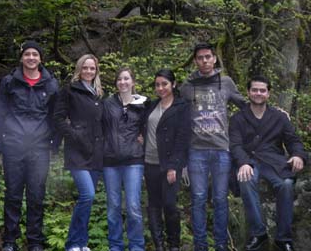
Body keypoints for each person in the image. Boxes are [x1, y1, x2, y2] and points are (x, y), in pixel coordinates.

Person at [0, 40, 59, 251]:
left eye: (35, 54)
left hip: (39, 148)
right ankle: (10, 240)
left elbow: (55, 117)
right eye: (27, 54)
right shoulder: (9, 82)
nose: (31, 58)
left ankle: (35, 240)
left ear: (40, 58)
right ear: (21, 57)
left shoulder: (51, 84)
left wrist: (55, 144)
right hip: (14, 145)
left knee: (36, 195)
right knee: (12, 194)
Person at [179, 42, 246, 251]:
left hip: (221, 150)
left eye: (208, 56)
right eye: (200, 58)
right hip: (196, 150)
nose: (205, 61)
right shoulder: (187, 86)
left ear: (215, 58)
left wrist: (272, 111)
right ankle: (200, 245)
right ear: (195, 60)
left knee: (220, 198)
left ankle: (221, 244)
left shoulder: (225, 82)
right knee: (198, 198)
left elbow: (244, 104)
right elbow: (174, 112)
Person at [229, 75, 308, 251]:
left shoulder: (280, 117)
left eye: (262, 90)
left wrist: (298, 156)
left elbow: (293, 141)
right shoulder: (237, 118)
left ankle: (283, 239)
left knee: (287, 184)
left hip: (274, 162)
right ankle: (259, 234)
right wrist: (242, 163)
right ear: (248, 92)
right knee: (245, 180)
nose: (258, 93)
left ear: (268, 93)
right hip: (249, 160)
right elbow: (235, 145)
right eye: (254, 90)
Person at [53, 54, 104, 251]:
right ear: (79, 69)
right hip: (77, 152)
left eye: (92, 68)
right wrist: (75, 135)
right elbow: (58, 119)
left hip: (96, 153)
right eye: (85, 68)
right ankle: (72, 243)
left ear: (96, 71)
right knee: (88, 195)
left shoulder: (98, 94)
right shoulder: (69, 90)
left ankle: (82, 244)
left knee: (88, 201)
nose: (89, 71)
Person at [143, 69, 191, 251]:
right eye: (157, 84)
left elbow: (182, 139)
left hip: (169, 165)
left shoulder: (182, 107)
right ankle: (159, 244)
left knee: (170, 204)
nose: (161, 88)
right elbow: (142, 125)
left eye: (164, 84)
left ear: (173, 84)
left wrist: (173, 166)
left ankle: (174, 244)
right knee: (153, 205)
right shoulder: (151, 105)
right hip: (149, 162)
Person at [102, 67, 148, 251]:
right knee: (113, 206)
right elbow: (99, 127)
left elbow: (151, 126)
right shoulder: (107, 104)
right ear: (116, 83)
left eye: (126, 78)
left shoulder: (144, 104)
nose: (123, 82)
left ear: (133, 81)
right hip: (110, 161)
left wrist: (143, 138)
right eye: (119, 79)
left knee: (133, 206)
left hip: (133, 160)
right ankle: (116, 245)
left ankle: (136, 246)